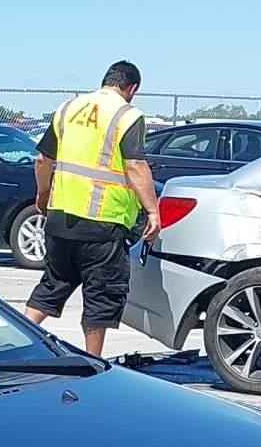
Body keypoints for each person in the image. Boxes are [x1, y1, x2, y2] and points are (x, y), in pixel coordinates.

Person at [23, 60, 160, 360]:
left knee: (52, 285)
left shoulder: (67, 109)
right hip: (102, 224)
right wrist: (152, 211)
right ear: (131, 88)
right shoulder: (127, 115)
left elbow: (42, 160)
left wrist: (43, 193)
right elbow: (135, 164)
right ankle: (93, 363)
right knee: (100, 297)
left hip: (59, 219)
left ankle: (17, 343)